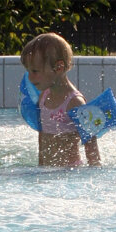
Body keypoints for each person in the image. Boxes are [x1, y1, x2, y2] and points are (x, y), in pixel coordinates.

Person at [20, 33, 101, 167]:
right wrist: (40, 167)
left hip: (70, 173)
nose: (30, 78)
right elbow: (42, 136)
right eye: (28, 72)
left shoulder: (75, 103)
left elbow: (91, 146)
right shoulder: (43, 97)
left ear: (59, 68)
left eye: (35, 71)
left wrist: (94, 173)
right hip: (48, 172)